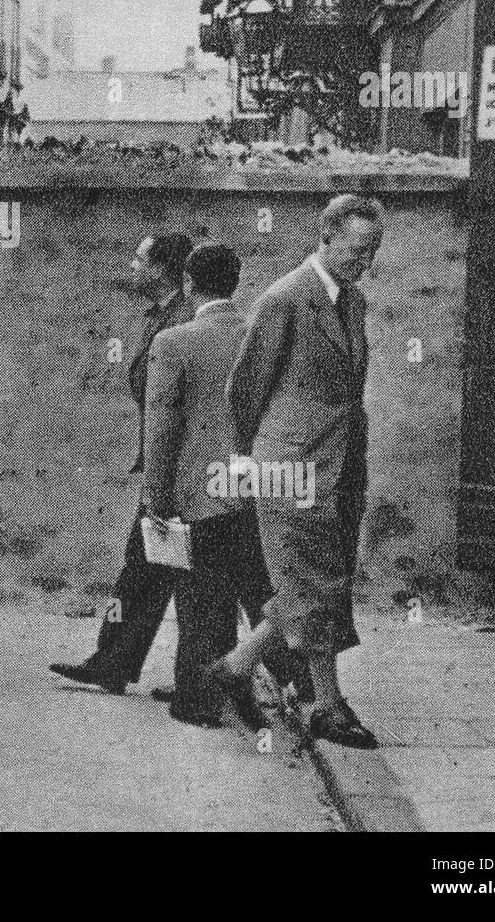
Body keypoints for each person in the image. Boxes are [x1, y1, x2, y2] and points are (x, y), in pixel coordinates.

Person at [223, 194, 385, 749]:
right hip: (289, 463)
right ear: (327, 236)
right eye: (358, 250)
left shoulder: (354, 302)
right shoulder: (286, 298)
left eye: (373, 252)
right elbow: (244, 386)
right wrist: (246, 459)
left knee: (312, 578)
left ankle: (237, 666)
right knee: (318, 579)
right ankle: (328, 704)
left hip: (340, 463)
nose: (366, 262)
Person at [141, 241, 306, 727]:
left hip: (201, 493)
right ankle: (299, 685)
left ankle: (198, 699)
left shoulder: (175, 342)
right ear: (235, 282)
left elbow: (162, 427)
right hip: (261, 486)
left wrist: (156, 493)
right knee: (263, 591)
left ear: (189, 283)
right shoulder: (262, 335)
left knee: (202, 600)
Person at [49, 231, 194, 693]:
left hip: (182, 469)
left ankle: (273, 673)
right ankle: (114, 661)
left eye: (139, 259)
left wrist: (163, 472)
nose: (133, 267)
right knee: (148, 570)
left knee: (198, 575)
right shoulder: (163, 316)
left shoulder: (184, 319)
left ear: (161, 269)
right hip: (167, 465)